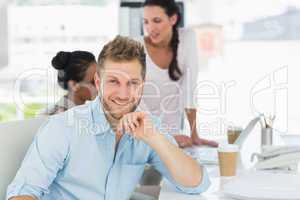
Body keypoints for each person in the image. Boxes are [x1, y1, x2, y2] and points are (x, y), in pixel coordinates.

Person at [6, 36, 210, 200]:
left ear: (143, 84)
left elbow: (197, 183)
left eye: (133, 83)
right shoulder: (63, 128)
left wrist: (155, 138)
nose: (123, 94)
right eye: (114, 81)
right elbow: (22, 194)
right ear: (97, 81)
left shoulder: (148, 127)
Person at [139, 0, 218, 148]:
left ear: (173, 19)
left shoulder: (187, 38)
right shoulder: (136, 46)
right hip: (143, 137)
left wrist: (194, 135)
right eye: (146, 22)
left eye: (157, 20)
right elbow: (133, 102)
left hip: (174, 137)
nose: (150, 28)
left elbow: (189, 88)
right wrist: (162, 136)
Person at [41, 50, 97, 115]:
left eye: (100, 78)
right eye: (93, 82)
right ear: (74, 85)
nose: (100, 85)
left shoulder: (80, 111)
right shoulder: (61, 116)